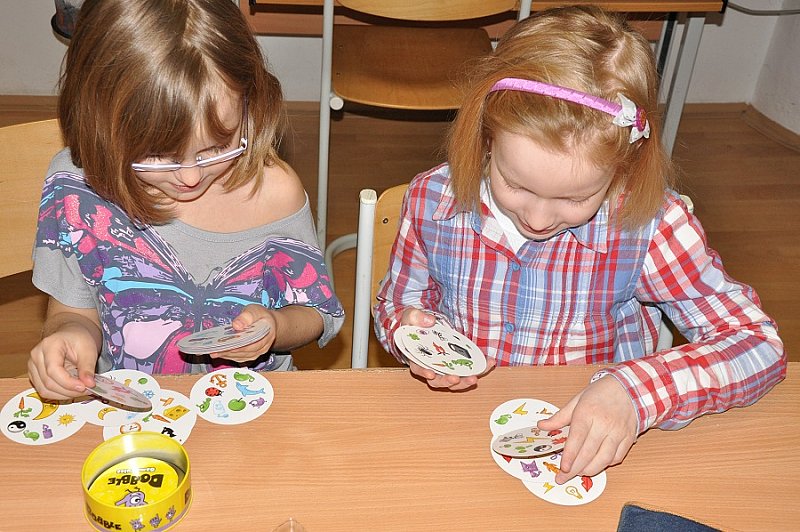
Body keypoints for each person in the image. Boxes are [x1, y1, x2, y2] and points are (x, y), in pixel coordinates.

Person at [373, 6, 785, 484]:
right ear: (486, 136)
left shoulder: (650, 226)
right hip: (456, 427)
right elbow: (398, 302)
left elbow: (757, 344)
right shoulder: (432, 199)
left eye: (575, 198)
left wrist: (635, 393)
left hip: (595, 441)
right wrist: (409, 331)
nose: (537, 219)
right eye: (516, 184)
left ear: (626, 164)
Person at [29, 0, 344, 399]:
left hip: (252, 402)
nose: (191, 177)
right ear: (98, 127)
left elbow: (316, 313)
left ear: (251, 100)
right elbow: (72, 311)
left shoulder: (274, 192)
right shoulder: (78, 189)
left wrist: (276, 328)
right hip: (135, 407)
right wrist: (69, 335)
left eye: (218, 147)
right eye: (158, 154)